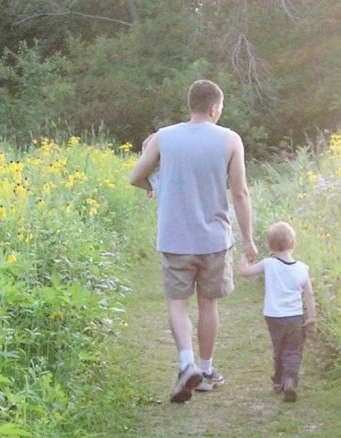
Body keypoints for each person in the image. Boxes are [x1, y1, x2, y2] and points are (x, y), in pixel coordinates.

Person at [129, 79, 258, 403]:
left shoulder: (164, 137)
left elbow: (135, 177)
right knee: (208, 304)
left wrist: (156, 184)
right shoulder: (230, 139)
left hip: (174, 238)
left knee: (177, 304)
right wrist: (250, 240)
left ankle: (186, 363)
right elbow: (240, 193)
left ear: (191, 105)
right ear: (214, 108)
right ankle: (206, 371)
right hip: (214, 239)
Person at [238, 222, 316, 402]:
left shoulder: (268, 264)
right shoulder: (302, 268)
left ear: (270, 247)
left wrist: (245, 257)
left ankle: (278, 382)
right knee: (294, 350)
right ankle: (290, 380)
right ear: (293, 244)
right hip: (296, 317)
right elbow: (309, 294)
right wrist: (311, 318)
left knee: (279, 348)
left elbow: (244, 272)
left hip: (273, 316)